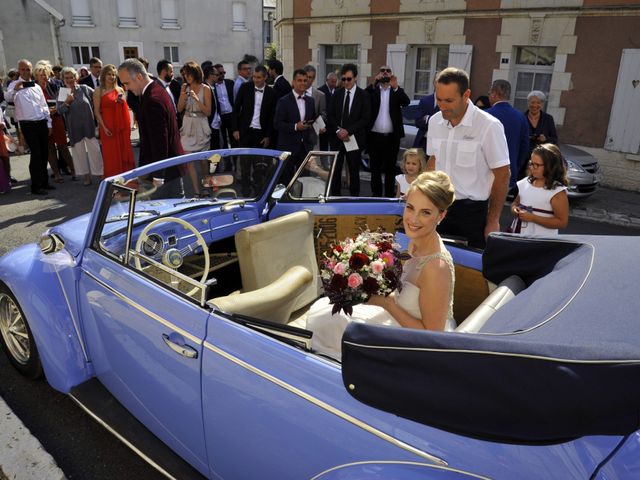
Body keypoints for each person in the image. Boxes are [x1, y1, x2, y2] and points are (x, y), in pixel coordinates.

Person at [306, 170, 457, 361]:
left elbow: (432, 339)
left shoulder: (436, 267)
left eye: (425, 212)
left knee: (331, 322)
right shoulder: (415, 243)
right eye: (410, 208)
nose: (413, 219)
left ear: (441, 215)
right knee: (327, 312)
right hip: (396, 318)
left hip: (410, 343)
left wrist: (388, 304)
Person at [426, 67, 510, 249]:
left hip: (471, 215)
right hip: (437, 207)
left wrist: (493, 220)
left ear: (466, 95)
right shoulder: (434, 121)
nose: (442, 106)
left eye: (449, 100)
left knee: (467, 271)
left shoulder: (489, 126)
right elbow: (433, 161)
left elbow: (503, 175)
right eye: (438, 99)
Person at [118, 59, 184, 194]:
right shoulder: (155, 90)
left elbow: (160, 141)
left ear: (139, 77)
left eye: (127, 83)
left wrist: (158, 176)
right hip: (167, 168)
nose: (126, 88)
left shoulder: (152, 100)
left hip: (164, 173)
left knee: (166, 212)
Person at [5, 59, 53, 195]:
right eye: (23, 69)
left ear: (31, 70)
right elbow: (7, 98)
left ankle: (44, 182)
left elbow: (44, 106)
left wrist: (48, 123)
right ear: (19, 70)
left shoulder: (36, 86)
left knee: (44, 153)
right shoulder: (14, 84)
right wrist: (15, 90)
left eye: (28, 69)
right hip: (27, 125)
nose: (25, 72)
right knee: (36, 154)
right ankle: (36, 186)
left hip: (41, 123)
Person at [365, 64, 411, 197]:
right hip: (374, 137)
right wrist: (374, 83)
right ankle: (376, 194)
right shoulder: (373, 91)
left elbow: (406, 102)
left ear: (391, 74)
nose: (385, 73)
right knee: (375, 168)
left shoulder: (395, 91)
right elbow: (363, 97)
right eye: (382, 70)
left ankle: (389, 195)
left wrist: (396, 86)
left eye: (388, 71)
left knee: (390, 169)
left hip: (392, 137)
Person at [327, 63, 371, 197]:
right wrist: (337, 131)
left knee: (353, 171)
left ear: (355, 78)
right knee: (336, 170)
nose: (346, 82)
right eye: (344, 79)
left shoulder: (363, 95)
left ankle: (354, 199)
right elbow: (330, 115)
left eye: (349, 79)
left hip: (354, 139)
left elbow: (366, 118)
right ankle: (335, 198)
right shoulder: (337, 94)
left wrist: (348, 131)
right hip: (337, 139)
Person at [57, 67, 103, 186]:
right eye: (66, 78)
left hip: (89, 126)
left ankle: (99, 175)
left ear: (75, 77)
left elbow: (98, 96)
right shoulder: (62, 92)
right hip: (74, 128)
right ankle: (86, 177)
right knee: (79, 154)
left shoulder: (84, 88)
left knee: (95, 151)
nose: (69, 80)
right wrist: (67, 101)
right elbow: (59, 111)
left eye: (71, 77)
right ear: (63, 79)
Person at [510, 143, 569, 236]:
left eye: (537, 165)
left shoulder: (557, 192)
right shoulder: (525, 183)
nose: (532, 168)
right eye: (531, 163)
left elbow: (562, 222)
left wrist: (533, 218)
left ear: (551, 166)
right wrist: (514, 209)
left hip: (542, 242)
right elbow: (515, 203)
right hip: (519, 236)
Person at [33, 61, 74, 183]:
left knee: (63, 146)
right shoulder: (33, 87)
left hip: (57, 118)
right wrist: (45, 111)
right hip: (43, 121)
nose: (44, 77)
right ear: (36, 76)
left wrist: (56, 109)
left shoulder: (57, 84)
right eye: (41, 75)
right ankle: (56, 173)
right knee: (50, 148)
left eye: (45, 74)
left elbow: (64, 102)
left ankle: (73, 170)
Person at [274, 69, 316, 185]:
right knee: (286, 180)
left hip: (305, 147)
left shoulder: (311, 101)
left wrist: (318, 127)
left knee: (304, 181)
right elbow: (277, 124)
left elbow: (313, 119)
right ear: (293, 82)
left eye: (305, 80)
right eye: (299, 80)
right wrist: (295, 127)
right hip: (288, 147)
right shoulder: (283, 101)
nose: (303, 83)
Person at [486, 79, 530, 190]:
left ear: (494, 93)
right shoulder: (521, 116)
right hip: (510, 172)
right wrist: (516, 166)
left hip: (485, 173)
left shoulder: (484, 115)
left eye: (490, 93)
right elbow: (525, 147)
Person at [177, 61, 212, 196]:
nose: (186, 77)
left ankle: (205, 187)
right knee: (189, 161)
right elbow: (179, 109)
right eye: (185, 74)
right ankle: (197, 191)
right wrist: (182, 97)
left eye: (188, 74)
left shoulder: (206, 89)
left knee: (203, 161)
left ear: (195, 73)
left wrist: (197, 99)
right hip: (187, 125)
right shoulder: (184, 87)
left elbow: (208, 112)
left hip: (201, 124)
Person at [93, 64, 135, 178]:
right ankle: (113, 180)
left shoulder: (120, 89)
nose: (111, 77)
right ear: (104, 75)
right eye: (109, 74)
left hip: (120, 126)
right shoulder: (98, 91)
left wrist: (122, 103)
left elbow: (125, 108)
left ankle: (125, 178)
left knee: (122, 152)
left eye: (113, 74)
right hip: (107, 127)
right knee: (111, 155)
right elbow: (96, 112)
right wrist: (104, 128)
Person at [523, 90, 558, 179]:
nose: (535, 105)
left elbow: (555, 140)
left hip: (542, 162)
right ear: (528, 103)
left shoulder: (548, 119)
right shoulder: (521, 117)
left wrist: (545, 139)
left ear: (542, 104)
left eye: (538, 103)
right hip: (523, 161)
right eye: (532, 102)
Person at [212, 63, 236, 149]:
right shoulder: (212, 86)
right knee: (223, 141)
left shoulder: (230, 83)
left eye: (224, 72)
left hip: (230, 114)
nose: (222, 75)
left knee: (234, 139)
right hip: (220, 116)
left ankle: (235, 158)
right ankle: (226, 160)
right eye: (220, 73)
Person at [302, 65, 327, 150]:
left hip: (312, 136)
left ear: (314, 78)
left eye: (311, 77)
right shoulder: (294, 93)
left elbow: (323, 114)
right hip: (296, 136)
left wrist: (318, 125)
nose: (309, 80)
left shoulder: (320, 95)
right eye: (307, 77)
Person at [413, 83, 439, 151]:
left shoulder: (450, 102)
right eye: (438, 81)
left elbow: (446, 122)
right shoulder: (425, 100)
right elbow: (418, 122)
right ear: (434, 83)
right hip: (423, 141)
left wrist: (428, 118)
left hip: (439, 143)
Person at [318, 72, 338, 151]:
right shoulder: (320, 91)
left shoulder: (337, 91)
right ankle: (324, 164)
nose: (334, 84)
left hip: (334, 127)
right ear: (327, 80)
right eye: (332, 81)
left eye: (335, 81)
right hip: (324, 126)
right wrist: (320, 126)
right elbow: (318, 110)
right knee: (324, 148)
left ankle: (334, 163)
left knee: (334, 148)